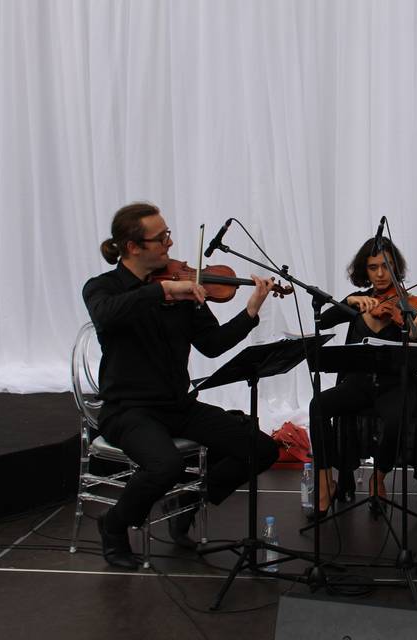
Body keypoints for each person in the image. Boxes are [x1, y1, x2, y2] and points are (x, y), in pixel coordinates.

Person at [82, 202, 281, 569]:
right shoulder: (103, 288)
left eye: (168, 235)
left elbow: (213, 344)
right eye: (161, 239)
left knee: (262, 449)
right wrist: (163, 292)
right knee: (166, 465)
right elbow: (105, 316)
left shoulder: (186, 290)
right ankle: (113, 526)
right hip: (128, 409)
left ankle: (187, 504)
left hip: (177, 405)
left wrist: (251, 310)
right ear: (132, 247)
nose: (170, 245)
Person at [308, 237, 417, 518]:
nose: (380, 274)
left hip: (395, 384)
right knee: (318, 405)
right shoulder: (358, 303)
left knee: (396, 419)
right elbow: (324, 321)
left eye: (386, 267)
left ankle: (378, 477)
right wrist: (349, 301)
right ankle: (325, 483)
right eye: (373, 267)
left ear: (395, 269)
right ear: (364, 271)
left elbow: (413, 340)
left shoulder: (407, 304)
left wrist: (416, 330)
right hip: (358, 383)